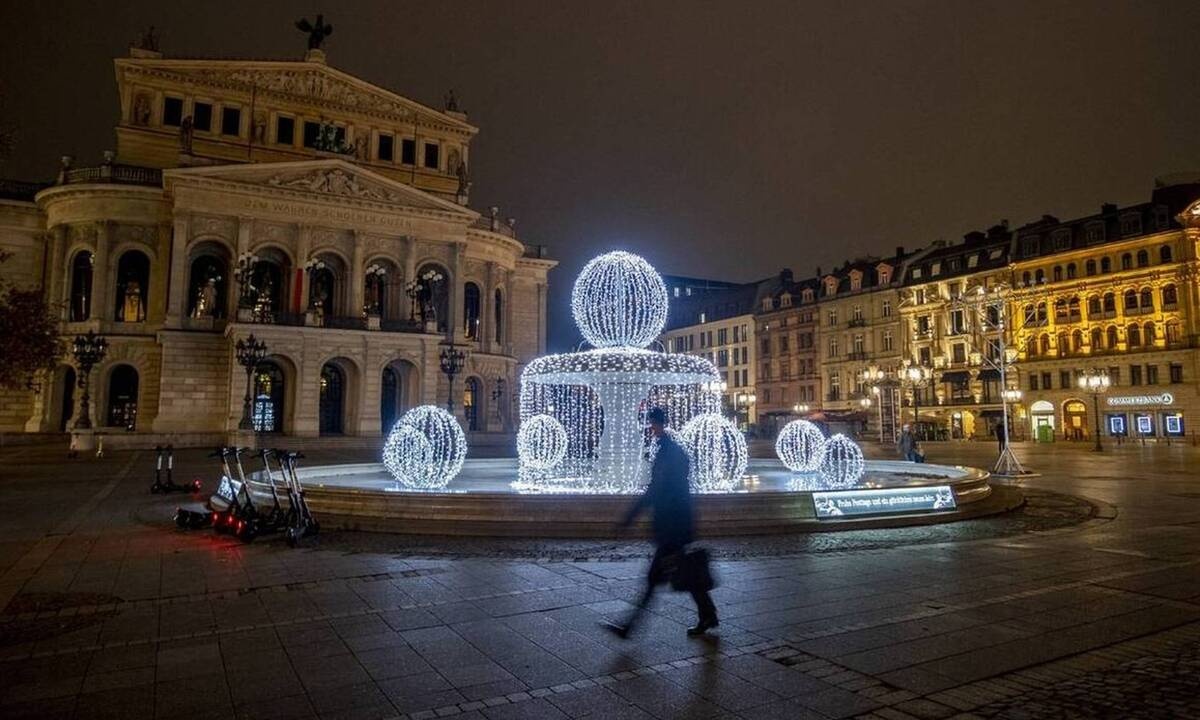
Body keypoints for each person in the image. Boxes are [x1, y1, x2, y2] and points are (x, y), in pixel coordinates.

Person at [607, 406, 718, 638]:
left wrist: (628, 518)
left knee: (655, 580)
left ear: (658, 424)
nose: (650, 428)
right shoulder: (669, 449)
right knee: (685, 575)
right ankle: (709, 615)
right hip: (675, 525)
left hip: (671, 526)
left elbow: (656, 491)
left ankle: (628, 627)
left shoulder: (668, 452)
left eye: (652, 424)